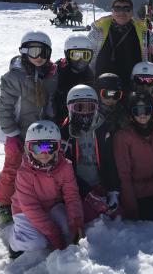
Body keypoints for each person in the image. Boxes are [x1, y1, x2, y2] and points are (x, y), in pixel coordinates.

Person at [0, 31, 58, 223]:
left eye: (44, 52)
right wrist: (12, 134)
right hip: (16, 131)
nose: (39, 57)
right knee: (13, 166)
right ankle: (4, 202)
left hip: (39, 133)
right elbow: (4, 107)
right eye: (33, 52)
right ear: (24, 52)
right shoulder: (15, 77)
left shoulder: (50, 75)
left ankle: (30, 198)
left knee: (36, 167)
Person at [7, 120, 84, 259]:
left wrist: (76, 224)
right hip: (24, 211)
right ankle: (15, 241)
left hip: (52, 206)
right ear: (28, 149)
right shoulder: (24, 173)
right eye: (37, 147)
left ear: (58, 147)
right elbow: (30, 208)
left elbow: (71, 196)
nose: (43, 153)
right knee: (37, 242)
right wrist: (53, 234)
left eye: (49, 147)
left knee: (68, 230)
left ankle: (49, 229)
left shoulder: (65, 167)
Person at [61, 85, 121, 223]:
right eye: (79, 108)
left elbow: (109, 161)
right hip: (79, 188)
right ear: (70, 108)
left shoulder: (103, 128)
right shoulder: (65, 134)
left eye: (90, 107)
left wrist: (113, 191)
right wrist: (87, 193)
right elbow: (66, 172)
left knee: (117, 215)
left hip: (101, 184)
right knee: (90, 218)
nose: (85, 113)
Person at [113, 91, 153, 220]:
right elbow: (124, 175)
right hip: (139, 195)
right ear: (131, 113)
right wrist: (131, 208)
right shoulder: (123, 137)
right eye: (137, 111)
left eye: (147, 110)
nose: (143, 114)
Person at [52, 35, 95, 125]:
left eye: (86, 55)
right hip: (58, 118)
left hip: (81, 117)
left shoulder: (89, 74)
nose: (81, 60)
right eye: (75, 55)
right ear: (67, 55)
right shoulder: (58, 72)